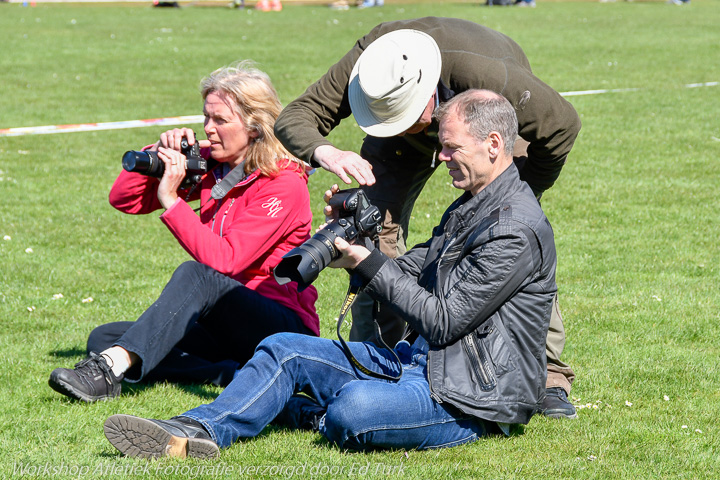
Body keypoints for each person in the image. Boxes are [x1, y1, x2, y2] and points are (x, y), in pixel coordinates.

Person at [102, 90, 557, 459]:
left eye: (451, 146)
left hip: (471, 396)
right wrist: (348, 251)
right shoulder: (474, 203)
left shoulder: (514, 228)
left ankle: (307, 407)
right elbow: (416, 268)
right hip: (418, 363)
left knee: (353, 408)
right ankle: (196, 428)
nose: (440, 157)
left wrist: (368, 264)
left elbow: (444, 321)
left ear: (494, 145)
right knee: (282, 348)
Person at [274, 17, 580, 418]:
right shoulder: (371, 66)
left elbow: (563, 127)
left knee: (516, 239)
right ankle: (374, 356)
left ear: (426, 92)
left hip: (485, 119)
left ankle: (550, 374)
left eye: (403, 117)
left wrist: (520, 195)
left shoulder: (489, 76)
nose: (397, 127)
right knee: (371, 227)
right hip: (403, 145)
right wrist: (328, 153)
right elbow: (293, 117)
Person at [48, 61, 319, 403]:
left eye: (220, 120)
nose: (208, 129)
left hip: (280, 326)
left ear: (255, 127)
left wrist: (172, 201)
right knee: (105, 337)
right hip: (220, 318)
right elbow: (124, 199)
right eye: (206, 117)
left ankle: (107, 372)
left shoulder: (284, 183)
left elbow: (226, 262)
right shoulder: (214, 165)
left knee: (198, 275)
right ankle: (227, 373)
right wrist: (158, 153)